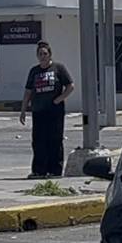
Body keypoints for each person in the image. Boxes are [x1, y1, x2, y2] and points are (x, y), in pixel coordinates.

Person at [20, 41, 74, 179]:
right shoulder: (34, 71)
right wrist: (23, 110)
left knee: (55, 140)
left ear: (50, 55)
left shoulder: (58, 68)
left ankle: (55, 171)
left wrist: (59, 99)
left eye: (45, 53)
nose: (43, 56)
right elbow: (28, 92)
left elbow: (70, 86)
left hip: (54, 111)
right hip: (38, 111)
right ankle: (39, 170)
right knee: (38, 141)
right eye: (40, 54)